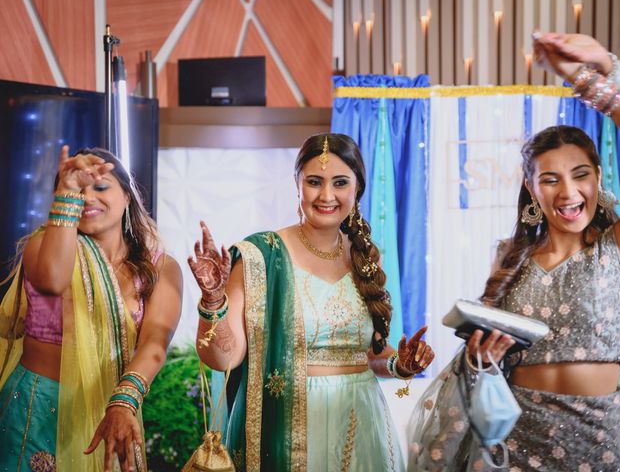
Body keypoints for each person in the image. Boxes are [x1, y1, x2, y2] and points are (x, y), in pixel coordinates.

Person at [411, 32, 620, 471]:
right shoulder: (510, 259)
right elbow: (486, 370)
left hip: (603, 447)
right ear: (531, 189)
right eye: (550, 179)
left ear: (598, 177)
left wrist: (597, 74)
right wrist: (482, 361)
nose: (569, 192)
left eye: (580, 175)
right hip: (516, 448)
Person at [188, 133, 435, 471]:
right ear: (297, 185)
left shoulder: (365, 258)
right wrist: (213, 301)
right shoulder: (261, 256)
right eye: (314, 182)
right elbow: (223, 358)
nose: (327, 195)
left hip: (361, 421)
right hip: (286, 427)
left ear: (357, 189)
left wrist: (399, 365)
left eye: (340, 183)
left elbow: (367, 355)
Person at [0, 147, 183, 471]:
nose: (88, 197)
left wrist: (124, 401)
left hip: (110, 406)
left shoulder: (160, 268)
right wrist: (66, 194)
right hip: (38, 407)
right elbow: (54, 280)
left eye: (100, 186)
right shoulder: (43, 245)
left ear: (127, 196)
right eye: (76, 188)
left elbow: (155, 340)